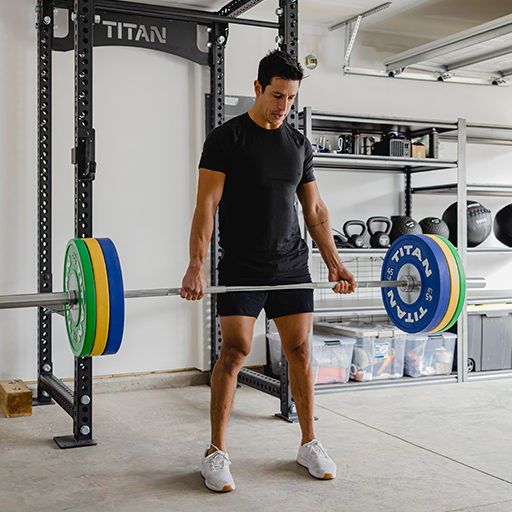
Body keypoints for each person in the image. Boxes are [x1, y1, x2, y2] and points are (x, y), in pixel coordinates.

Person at [181, 49, 356, 493]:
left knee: (299, 352)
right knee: (236, 352)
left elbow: (314, 209)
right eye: (277, 96)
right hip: (241, 266)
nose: (283, 107)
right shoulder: (227, 139)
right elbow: (206, 207)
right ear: (258, 89)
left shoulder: (298, 144)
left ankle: (308, 442)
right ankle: (216, 451)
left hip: (292, 264)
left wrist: (334, 262)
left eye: (291, 99)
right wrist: (196, 266)